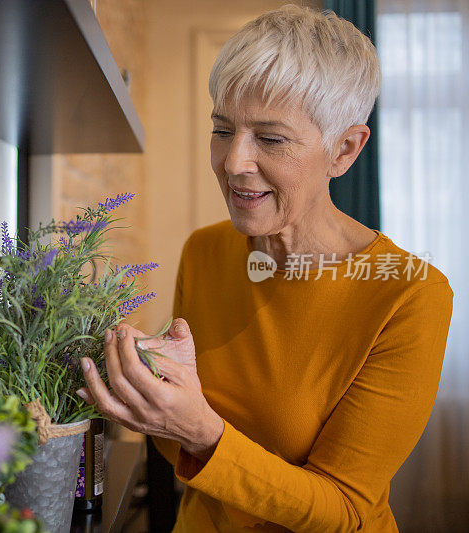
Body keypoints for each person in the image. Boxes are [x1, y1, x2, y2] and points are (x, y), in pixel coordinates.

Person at [76, 5, 454, 532]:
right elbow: (179, 444)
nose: (233, 162)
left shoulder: (410, 294)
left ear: (344, 149)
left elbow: (344, 510)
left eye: (271, 139)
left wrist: (203, 431)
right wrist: (145, 391)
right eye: (222, 129)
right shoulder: (207, 252)